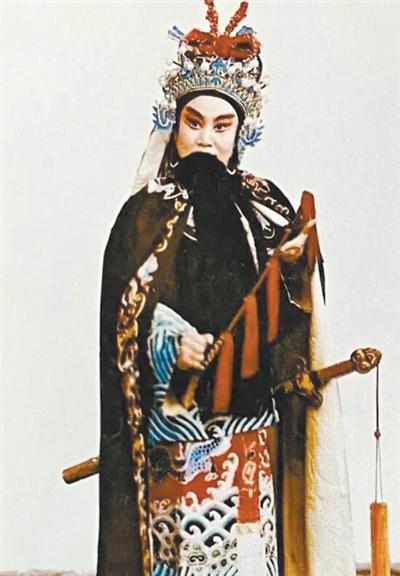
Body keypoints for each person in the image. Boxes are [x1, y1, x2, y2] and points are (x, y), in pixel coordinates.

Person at [97, 2, 355, 576]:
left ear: (240, 133)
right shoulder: (144, 214)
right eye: (194, 123)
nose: (207, 140)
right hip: (175, 429)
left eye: (222, 126)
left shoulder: (264, 206)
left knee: (250, 553)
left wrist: (296, 277)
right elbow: (123, 313)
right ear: (175, 126)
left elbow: (299, 312)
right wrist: (168, 338)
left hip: (252, 428)